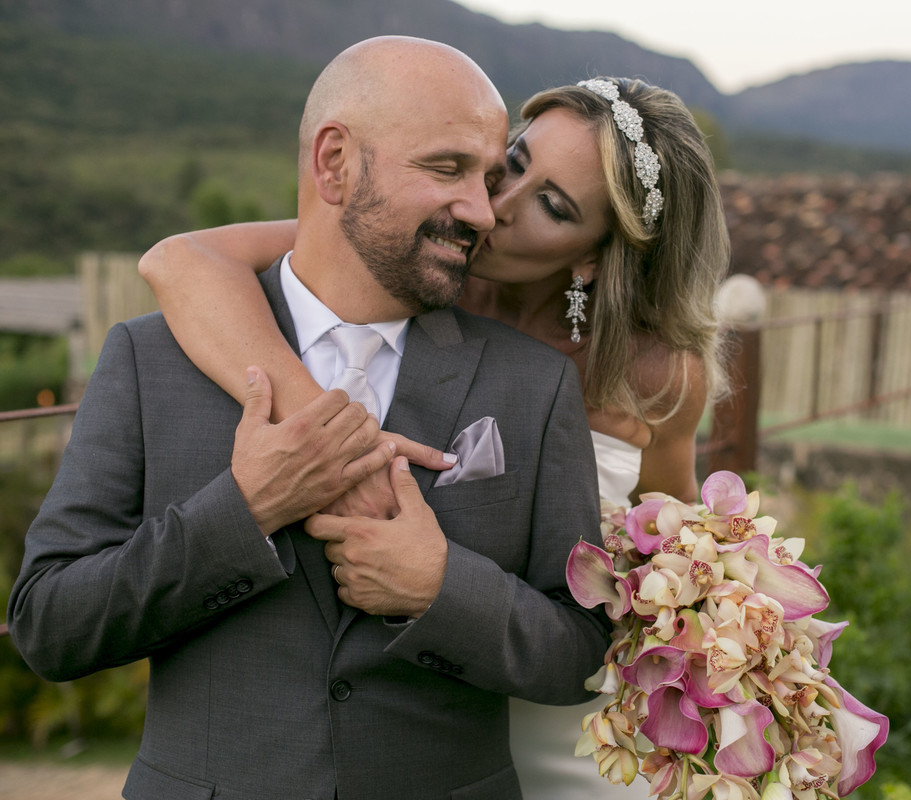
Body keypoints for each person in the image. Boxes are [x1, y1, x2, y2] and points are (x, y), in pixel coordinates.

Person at [6, 36, 609, 800]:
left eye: (492, 178)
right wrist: (245, 511)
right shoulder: (147, 357)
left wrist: (440, 588)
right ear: (334, 163)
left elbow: (585, 650)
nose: (484, 211)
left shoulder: (536, 385)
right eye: (448, 168)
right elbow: (49, 626)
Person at [138, 74, 730, 798]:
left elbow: (672, 556)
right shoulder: (402, 256)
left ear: (596, 255)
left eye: (552, 205)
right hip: (410, 715)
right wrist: (335, 444)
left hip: (569, 714)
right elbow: (177, 261)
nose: (496, 207)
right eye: (514, 163)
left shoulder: (656, 376)